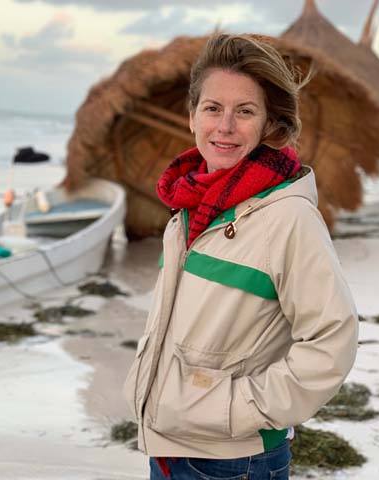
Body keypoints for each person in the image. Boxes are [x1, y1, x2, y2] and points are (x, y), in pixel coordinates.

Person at [123, 33, 358, 480]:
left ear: (269, 123)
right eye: (213, 108)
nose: (225, 126)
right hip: (170, 443)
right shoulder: (188, 206)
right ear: (192, 116)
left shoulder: (287, 216)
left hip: (236, 460)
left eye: (245, 111)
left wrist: (241, 406)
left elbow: (333, 339)